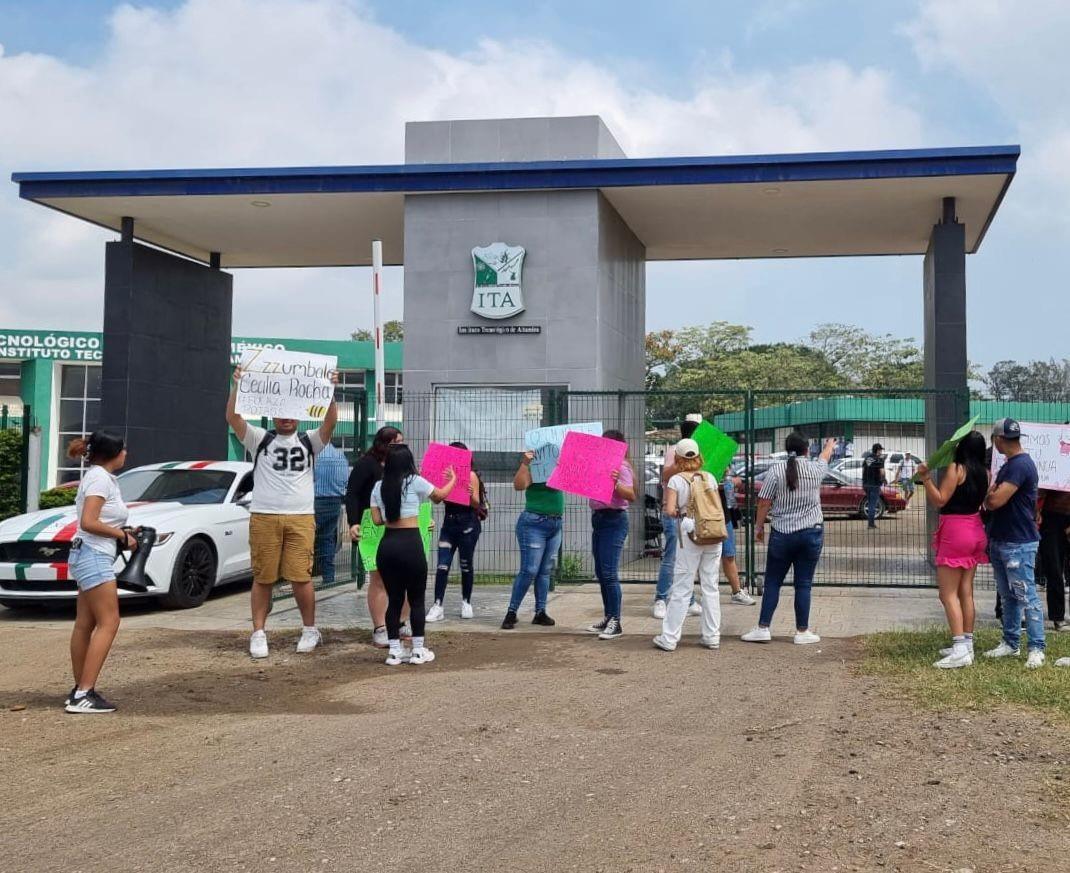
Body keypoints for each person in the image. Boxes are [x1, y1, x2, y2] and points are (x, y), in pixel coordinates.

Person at [226, 366, 338, 659]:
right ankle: (259, 632)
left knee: (301, 577)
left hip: (301, 517)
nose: (286, 418)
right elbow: (233, 418)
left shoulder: (309, 441)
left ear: (299, 415)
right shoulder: (259, 439)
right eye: (281, 412)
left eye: (291, 413)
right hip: (264, 515)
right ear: (273, 414)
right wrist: (237, 385)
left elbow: (329, 425)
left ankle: (310, 629)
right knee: (263, 577)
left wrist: (330, 392)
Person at [742, 433, 836, 644]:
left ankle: (763, 627)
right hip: (811, 533)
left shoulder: (776, 471)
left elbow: (764, 501)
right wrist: (830, 444)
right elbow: (825, 456)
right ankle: (802, 632)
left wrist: (759, 527)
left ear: (786, 450)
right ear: (807, 449)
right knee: (803, 584)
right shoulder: (815, 469)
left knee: (773, 582)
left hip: (782, 534)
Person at [64, 432, 133, 714]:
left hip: (86, 553)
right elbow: (89, 521)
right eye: (123, 449)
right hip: (94, 555)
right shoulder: (100, 479)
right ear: (113, 454)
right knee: (109, 622)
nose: (126, 453)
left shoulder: (97, 476)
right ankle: (84, 693)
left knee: (85, 623)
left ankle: (80, 688)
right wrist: (121, 535)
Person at [370, 445, 455, 665]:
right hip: (411, 544)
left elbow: (377, 520)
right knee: (416, 600)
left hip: (387, 546)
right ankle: (418, 650)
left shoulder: (378, 486)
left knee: (394, 600)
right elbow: (439, 496)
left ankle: (395, 652)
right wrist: (453, 479)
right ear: (409, 462)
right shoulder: (416, 481)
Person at [917, 432, 989, 668]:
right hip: (975, 530)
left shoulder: (956, 469)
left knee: (947, 593)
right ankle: (967, 644)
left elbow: (940, 500)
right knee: (965, 591)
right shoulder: (984, 473)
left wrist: (926, 478)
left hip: (956, 532)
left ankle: (959, 648)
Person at [983, 419, 1046, 668]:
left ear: (998, 440)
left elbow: (995, 501)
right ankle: (1011, 642)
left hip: (1018, 542)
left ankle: (1036, 646)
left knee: (1025, 595)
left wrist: (990, 493)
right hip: (1004, 539)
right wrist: (992, 493)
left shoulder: (1019, 466)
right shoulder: (1014, 465)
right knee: (1008, 596)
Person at [653, 438, 724, 651]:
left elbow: (670, 510)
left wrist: (680, 512)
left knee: (683, 586)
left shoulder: (676, 480)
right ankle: (712, 636)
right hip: (713, 534)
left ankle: (669, 638)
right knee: (711, 586)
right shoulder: (709, 477)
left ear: (678, 458)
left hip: (691, 535)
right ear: (698, 456)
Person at [346, 426, 405, 647]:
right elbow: (352, 493)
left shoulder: (402, 464)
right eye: (395, 442)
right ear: (383, 443)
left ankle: (400, 623)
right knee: (378, 577)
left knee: (403, 577)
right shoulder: (366, 464)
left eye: (401, 441)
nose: (399, 446)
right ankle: (380, 627)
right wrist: (353, 522)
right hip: (372, 525)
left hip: (399, 525)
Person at [501, 449, 564, 629]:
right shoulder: (534, 468)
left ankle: (540, 612)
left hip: (555, 523)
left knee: (544, 570)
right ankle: (512, 612)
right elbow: (519, 485)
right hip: (534, 522)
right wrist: (525, 463)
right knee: (530, 569)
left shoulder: (558, 467)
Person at [586, 430, 636, 640]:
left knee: (609, 573)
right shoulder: (599, 465)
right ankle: (609, 617)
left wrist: (615, 483)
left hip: (614, 519)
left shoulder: (622, 467)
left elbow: (631, 495)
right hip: (599, 519)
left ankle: (616, 620)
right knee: (601, 571)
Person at [652, 416, 703, 619]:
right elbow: (665, 475)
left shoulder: (700, 454)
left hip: (692, 513)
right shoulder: (675, 451)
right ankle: (661, 599)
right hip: (674, 513)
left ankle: (688, 600)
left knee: (689, 558)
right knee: (671, 557)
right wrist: (684, 461)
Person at [428, 442, 485, 623]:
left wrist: (470, 494)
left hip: (468, 523)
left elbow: (477, 504)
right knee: (442, 565)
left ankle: (466, 602)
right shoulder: (445, 475)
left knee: (466, 564)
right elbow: (437, 499)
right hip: (449, 523)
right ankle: (437, 605)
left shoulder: (471, 475)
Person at [313, 442, 349, 585]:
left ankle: (303, 576)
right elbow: (345, 480)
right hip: (335, 501)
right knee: (327, 539)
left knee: (306, 538)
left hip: (315, 500)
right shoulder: (340, 456)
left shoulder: (315, 455)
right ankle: (328, 577)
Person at [719, 471, 756, 606]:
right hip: (706, 512)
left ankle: (737, 592)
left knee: (729, 554)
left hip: (724, 514)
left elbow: (735, 480)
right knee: (702, 557)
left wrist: (731, 481)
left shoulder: (725, 461)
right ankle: (691, 597)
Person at [1038, 488, 1070, 632]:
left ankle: (1058, 617)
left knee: (1055, 568)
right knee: (1054, 569)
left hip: (1055, 513)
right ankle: (1058, 617)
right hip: (1052, 515)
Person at [862, 443, 886, 529]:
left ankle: (871, 523)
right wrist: (884, 479)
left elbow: (863, 470)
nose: (881, 452)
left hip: (866, 484)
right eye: (880, 450)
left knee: (870, 502)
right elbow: (882, 472)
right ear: (878, 450)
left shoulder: (867, 459)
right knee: (873, 504)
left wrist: (863, 482)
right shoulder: (879, 460)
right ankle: (871, 524)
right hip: (874, 485)